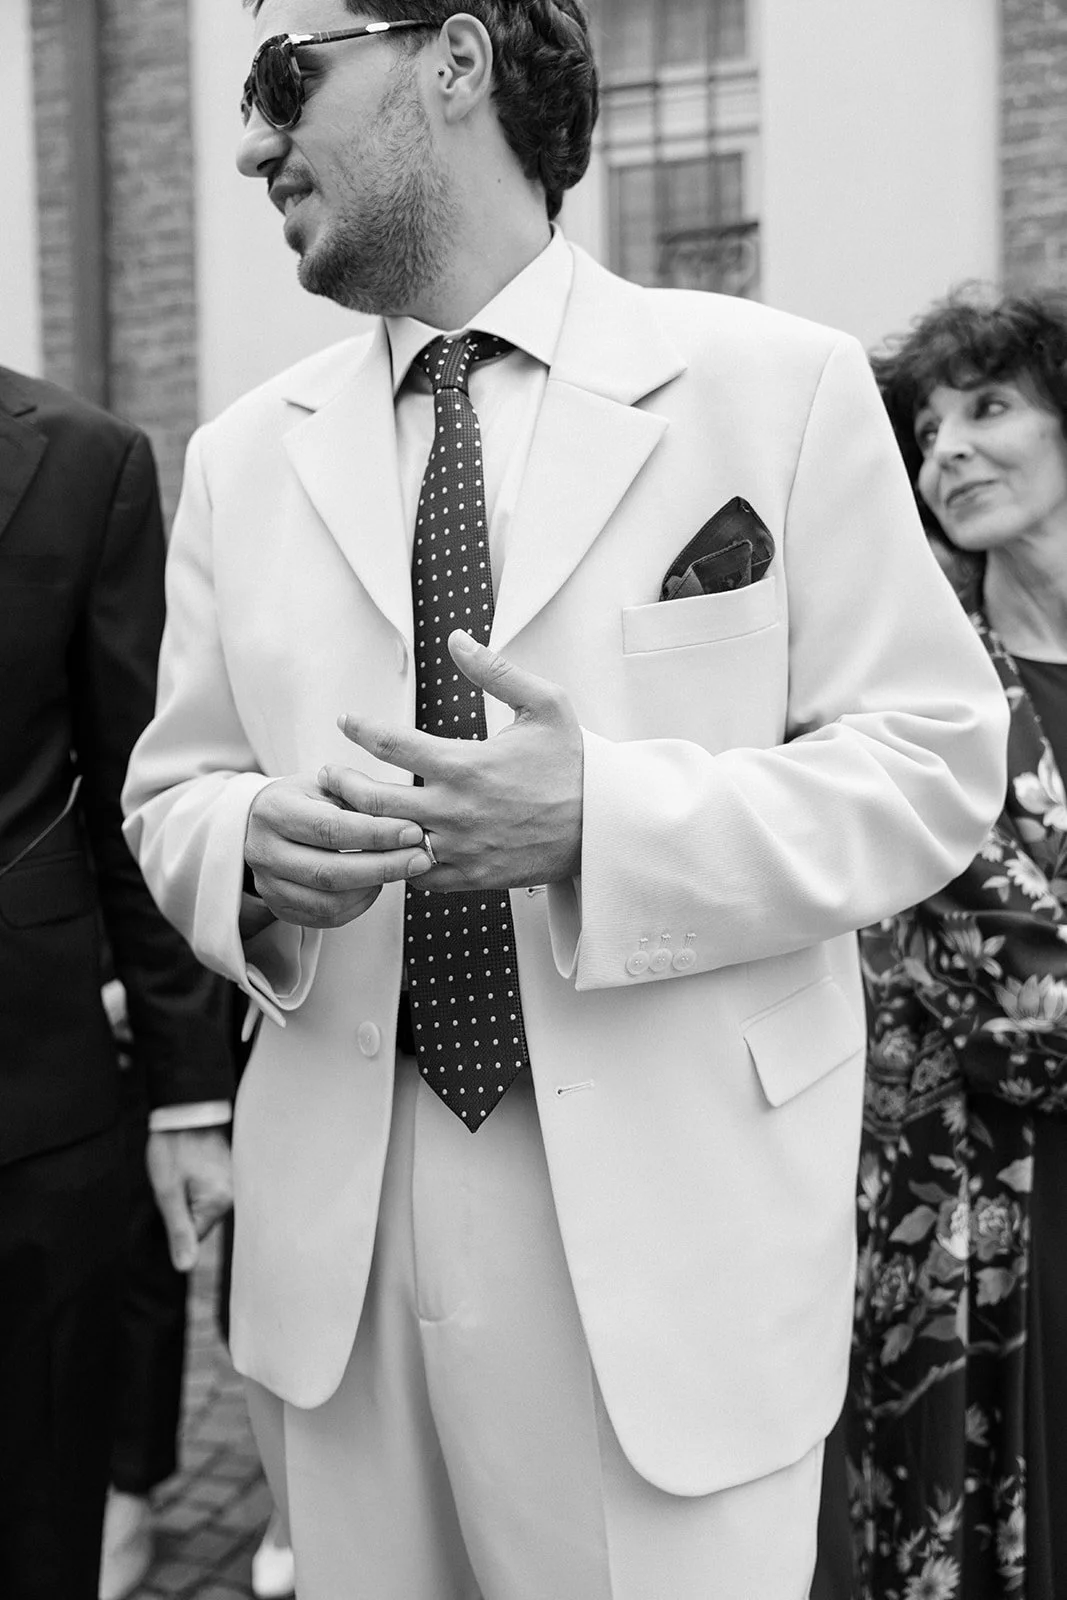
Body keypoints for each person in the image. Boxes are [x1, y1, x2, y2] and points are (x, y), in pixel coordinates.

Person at [121, 5, 1009, 1595]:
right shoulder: (243, 456)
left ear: (451, 61)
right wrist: (245, 852)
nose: (251, 142)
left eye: (280, 82)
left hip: (673, 1236)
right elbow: (173, 787)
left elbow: (932, 760)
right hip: (342, 1233)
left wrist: (606, 824)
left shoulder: (776, 389)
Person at [826, 290, 1067, 1600]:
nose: (947, 452)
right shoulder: (922, 698)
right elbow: (1014, 1006)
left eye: (986, 409)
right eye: (923, 433)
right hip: (986, 1217)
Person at [0, 364, 235, 1600]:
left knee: (38, 1522)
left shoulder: (87, 461)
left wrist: (190, 1091)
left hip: (35, 1104)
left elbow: (137, 798)